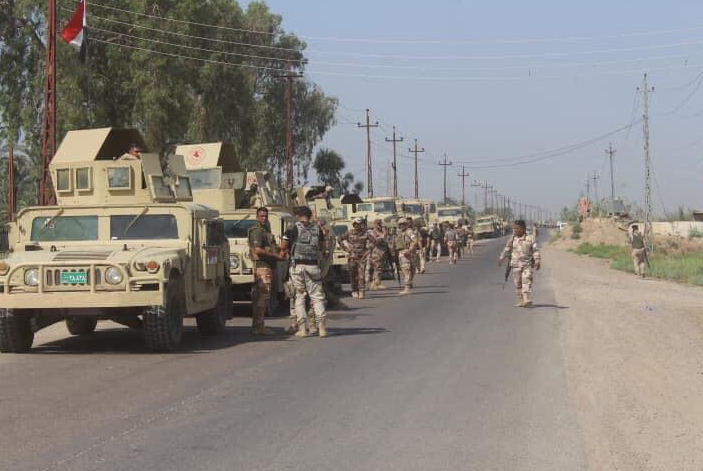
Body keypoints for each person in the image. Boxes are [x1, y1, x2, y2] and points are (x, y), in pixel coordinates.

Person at [281, 206, 329, 337]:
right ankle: (322, 328)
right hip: (313, 266)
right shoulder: (317, 229)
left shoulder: (292, 228)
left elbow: (283, 246)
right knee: (317, 297)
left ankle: (302, 329)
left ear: (298, 216)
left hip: (297, 267)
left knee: (299, 296)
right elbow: (323, 247)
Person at [248, 207, 287, 335]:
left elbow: (271, 247)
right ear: (257, 217)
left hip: (268, 266)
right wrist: (276, 256)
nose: (264, 218)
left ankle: (258, 326)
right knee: (262, 298)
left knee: (263, 298)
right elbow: (258, 250)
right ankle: (259, 327)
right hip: (262, 267)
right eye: (261, 216)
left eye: (266, 216)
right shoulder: (257, 231)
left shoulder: (266, 230)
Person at [498, 220, 541, 307]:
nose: (515, 230)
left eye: (517, 228)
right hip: (515, 265)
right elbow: (507, 249)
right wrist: (501, 258)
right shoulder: (512, 238)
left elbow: (535, 250)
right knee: (518, 284)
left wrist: (537, 260)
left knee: (527, 280)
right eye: (514, 228)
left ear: (523, 229)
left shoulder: (530, 238)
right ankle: (521, 300)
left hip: (527, 264)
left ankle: (526, 298)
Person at [338, 218, 370, 299]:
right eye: (356, 224)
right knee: (353, 275)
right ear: (354, 224)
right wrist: (346, 249)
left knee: (361, 275)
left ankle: (361, 291)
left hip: (362, 257)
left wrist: (368, 251)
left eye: (359, 224)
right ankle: (354, 290)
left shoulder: (365, 233)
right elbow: (339, 239)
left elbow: (374, 242)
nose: (358, 225)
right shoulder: (349, 233)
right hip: (352, 257)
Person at [395, 218, 419, 295]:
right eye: (400, 224)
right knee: (409, 270)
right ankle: (409, 283)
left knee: (407, 271)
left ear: (406, 224)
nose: (402, 225)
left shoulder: (409, 231)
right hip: (403, 252)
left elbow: (415, 240)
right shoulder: (400, 232)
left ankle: (407, 288)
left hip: (407, 253)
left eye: (403, 224)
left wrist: (409, 250)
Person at [367, 219, 389, 290]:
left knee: (379, 268)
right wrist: (383, 236)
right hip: (376, 252)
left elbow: (386, 240)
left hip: (382, 252)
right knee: (378, 268)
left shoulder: (382, 231)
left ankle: (374, 283)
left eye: (380, 223)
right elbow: (375, 241)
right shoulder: (371, 232)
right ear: (374, 224)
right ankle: (377, 284)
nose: (379, 225)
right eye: (378, 224)